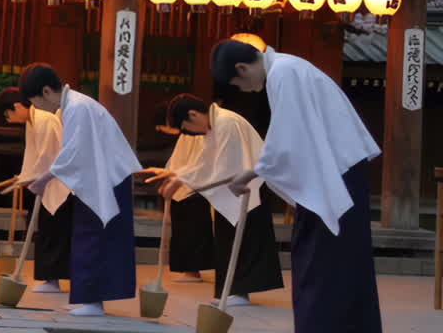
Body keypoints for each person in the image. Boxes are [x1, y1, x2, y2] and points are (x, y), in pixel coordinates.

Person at [215, 40, 381, 333]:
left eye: (238, 84)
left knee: (320, 264)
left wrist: (252, 173)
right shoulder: (288, 68)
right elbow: (295, 137)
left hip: (333, 176)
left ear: (242, 68)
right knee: (340, 262)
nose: (244, 90)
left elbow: (287, 141)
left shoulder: (284, 73)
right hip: (333, 172)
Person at [20, 64, 140, 317]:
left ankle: (93, 301)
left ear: (46, 91)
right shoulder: (73, 105)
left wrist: (45, 178)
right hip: (97, 178)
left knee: (96, 238)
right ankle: (86, 297)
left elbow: (73, 152)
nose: (38, 109)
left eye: (36, 102)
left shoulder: (77, 107)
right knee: (87, 236)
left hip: (106, 180)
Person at [143, 94, 283, 306]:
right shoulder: (215, 124)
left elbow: (224, 166)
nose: (189, 133)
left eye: (186, 127)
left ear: (192, 114)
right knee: (228, 239)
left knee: (244, 240)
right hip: (232, 188)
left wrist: (182, 179)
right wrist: (174, 175)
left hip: (248, 187)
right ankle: (232, 290)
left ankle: (239, 291)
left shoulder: (226, 123)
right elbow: (206, 162)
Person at [0, 86, 72, 293]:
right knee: (46, 230)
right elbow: (33, 154)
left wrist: (34, 176)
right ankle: (50, 279)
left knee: (54, 231)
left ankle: (53, 280)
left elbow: (49, 155)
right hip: (46, 180)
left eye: (7, 113)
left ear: (17, 106)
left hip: (57, 182)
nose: (8, 118)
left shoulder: (45, 119)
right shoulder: (33, 121)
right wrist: (25, 176)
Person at [156, 124, 215, 283]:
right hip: (180, 184)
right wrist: (168, 176)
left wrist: (180, 177)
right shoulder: (185, 134)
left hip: (193, 186)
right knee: (182, 228)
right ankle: (189, 270)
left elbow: (200, 161)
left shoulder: (198, 132)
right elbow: (176, 159)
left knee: (193, 228)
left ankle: (193, 271)